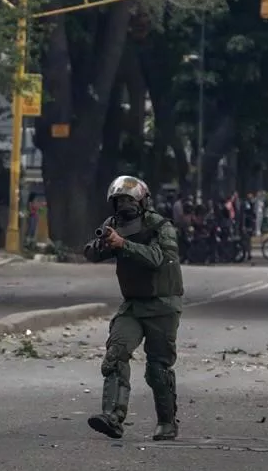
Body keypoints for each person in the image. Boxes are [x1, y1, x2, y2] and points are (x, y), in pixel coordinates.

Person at [83, 175, 183, 441]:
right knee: (116, 354)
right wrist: (103, 244)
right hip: (133, 305)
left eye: (129, 200)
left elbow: (158, 258)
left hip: (162, 305)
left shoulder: (160, 226)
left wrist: (124, 244)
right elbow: (92, 253)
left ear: (142, 201)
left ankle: (167, 422)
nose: (124, 206)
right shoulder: (114, 225)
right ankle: (113, 416)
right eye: (119, 201)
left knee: (158, 369)